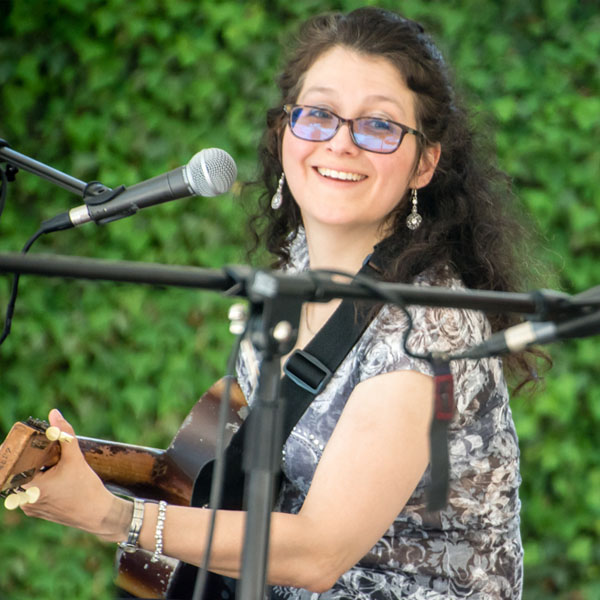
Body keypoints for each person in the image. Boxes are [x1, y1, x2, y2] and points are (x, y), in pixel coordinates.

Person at [15, 7, 540, 599]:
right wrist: (83, 467)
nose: (341, 142)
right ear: (285, 133)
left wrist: (115, 517)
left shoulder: (433, 328)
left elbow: (319, 551)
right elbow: (240, 471)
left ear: (423, 163)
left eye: (378, 126)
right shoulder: (293, 268)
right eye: (318, 115)